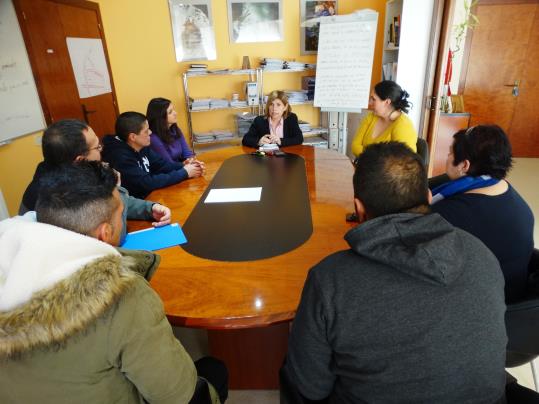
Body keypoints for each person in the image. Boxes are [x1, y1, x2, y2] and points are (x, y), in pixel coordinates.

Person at [283, 142, 507, 403]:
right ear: (427, 197)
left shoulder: (330, 279)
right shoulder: (480, 251)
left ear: (359, 209)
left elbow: (311, 386)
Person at [0, 161, 228, 403]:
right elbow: (177, 395)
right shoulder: (122, 295)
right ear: (105, 233)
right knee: (214, 371)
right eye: (122, 213)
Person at [19, 119, 171, 243]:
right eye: (97, 148)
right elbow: (113, 235)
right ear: (80, 160)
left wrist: (150, 208)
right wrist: (115, 189)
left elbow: (109, 206)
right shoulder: (57, 198)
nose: (102, 151)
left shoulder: (70, 172)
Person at [431, 125, 534, 303]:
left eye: (450, 153)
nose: (447, 157)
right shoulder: (506, 191)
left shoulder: (450, 215)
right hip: (515, 295)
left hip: (484, 307)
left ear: (464, 165)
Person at [102, 111, 204, 199]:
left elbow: (162, 165)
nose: (150, 133)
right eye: (146, 131)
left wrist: (184, 165)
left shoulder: (141, 145)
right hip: (139, 203)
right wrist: (184, 173)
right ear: (133, 137)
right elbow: (146, 183)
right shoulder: (120, 157)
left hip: (153, 196)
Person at [351, 80, 417, 157]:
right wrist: (378, 158)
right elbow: (355, 146)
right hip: (368, 167)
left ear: (387, 102)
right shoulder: (371, 117)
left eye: (373, 99)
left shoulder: (403, 126)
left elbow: (402, 162)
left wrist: (366, 155)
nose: (370, 103)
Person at [147, 97, 197, 163]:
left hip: (183, 167)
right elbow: (169, 165)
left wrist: (193, 161)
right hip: (172, 170)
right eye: (170, 112)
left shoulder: (174, 128)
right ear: (160, 117)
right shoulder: (154, 139)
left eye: (173, 110)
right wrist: (188, 166)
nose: (175, 113)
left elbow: (187, 152)